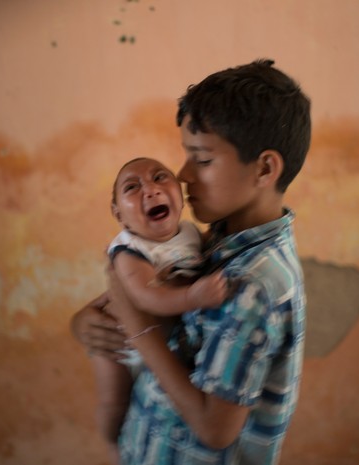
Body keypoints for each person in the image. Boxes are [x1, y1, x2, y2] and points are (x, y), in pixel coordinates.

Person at [71, 58, 311, 465]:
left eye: (201, 159)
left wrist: (139, 330)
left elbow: (215, 429)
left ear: (265, 168)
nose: (182, 174)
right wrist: (89, 323)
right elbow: (146, 300)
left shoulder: (253, 285)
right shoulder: (219, 239)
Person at [92, 157, 228, 464]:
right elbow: (145, 297)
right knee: (115, 402)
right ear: (118, 214)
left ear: (180, 197)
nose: (150, 190)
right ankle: (113, 447)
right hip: (120, 345)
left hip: (155, 341)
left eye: (159, 177)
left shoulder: (192, 234)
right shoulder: (129, 250)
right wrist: (193, 295)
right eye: (132, 187)